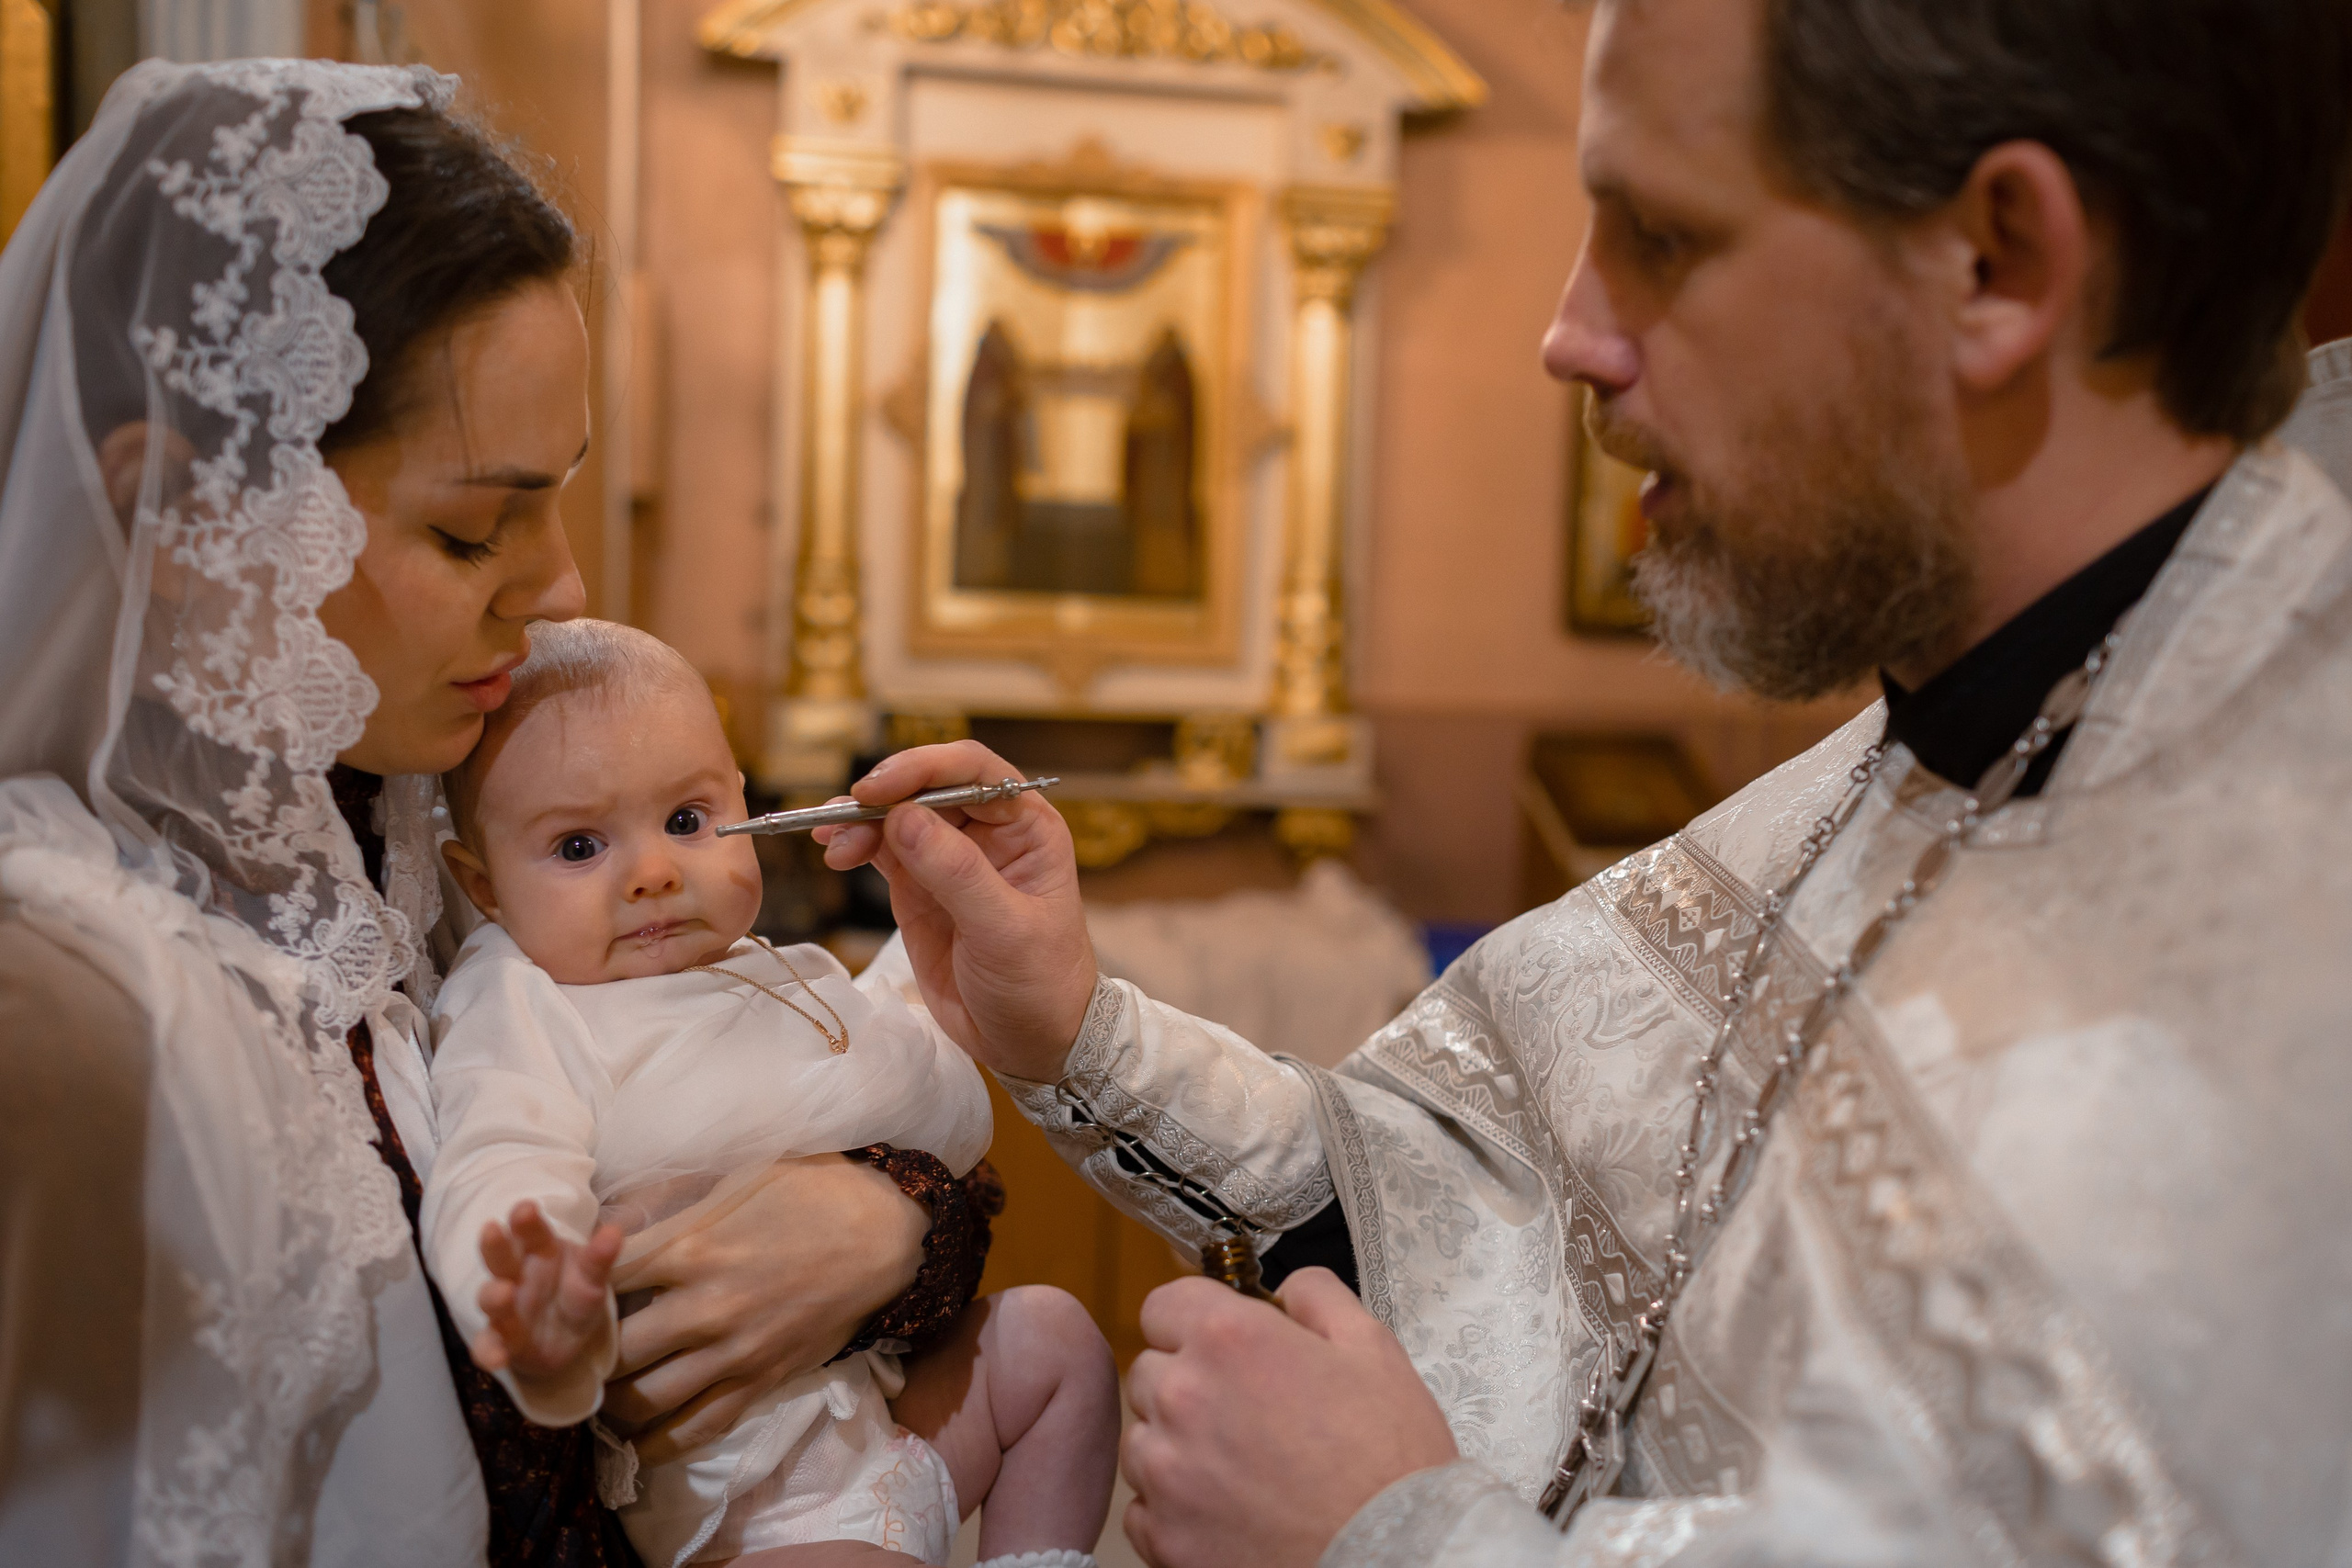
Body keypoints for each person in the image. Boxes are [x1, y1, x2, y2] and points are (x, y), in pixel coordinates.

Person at [810, 0, 2352, 1563]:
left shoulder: (2288, 1006)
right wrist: (1076, 1027)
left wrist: (1388, 1531)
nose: (1571, 332)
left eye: (1664, 235)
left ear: (1996, 262)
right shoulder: (1954, 722)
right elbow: (1469, 1199)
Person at [0, 61, 974, 1566]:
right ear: (181, 524)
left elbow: (744, 1086)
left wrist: (881, 1222)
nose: (565, 588)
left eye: (560, 495)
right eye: (473, 526)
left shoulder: (391, 832)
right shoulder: (63, 1001)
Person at [423, 618, 1117, 1568]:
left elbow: (942, 1122)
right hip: (742, 1500)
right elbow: (499, 1152)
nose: (655, 873)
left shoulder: (779, 968)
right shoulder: (527, 1000)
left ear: (742, 804)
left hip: (879, 1418)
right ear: (484, 885)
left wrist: (933, 963)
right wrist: (526, 1288)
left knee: (1057, 1343)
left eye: (685, 821)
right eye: (580, 846)